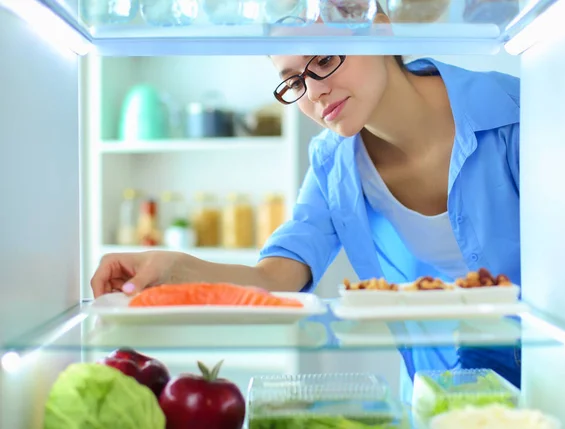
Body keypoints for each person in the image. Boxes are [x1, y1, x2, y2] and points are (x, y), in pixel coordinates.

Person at [91, 10, 522, 401]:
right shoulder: (332, 163)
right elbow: (277, 278)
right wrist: (173, 271)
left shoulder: (517, 115)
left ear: (381, 29)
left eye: (324, 59)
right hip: (436, 403)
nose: (315, 91)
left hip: (562, 385)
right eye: (294, 80)